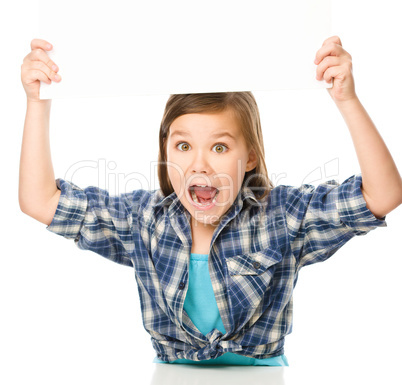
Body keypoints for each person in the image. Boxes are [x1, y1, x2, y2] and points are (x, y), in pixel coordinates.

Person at [19, 36, 402, 366]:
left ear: (249, 156)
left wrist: (347, 99)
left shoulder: (281, 216)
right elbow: (39, 200)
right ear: (165, 150)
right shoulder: (143, 221)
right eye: (183, 145)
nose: (199, 164)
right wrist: (38, 102)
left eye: (219, 146)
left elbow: (382, 195)